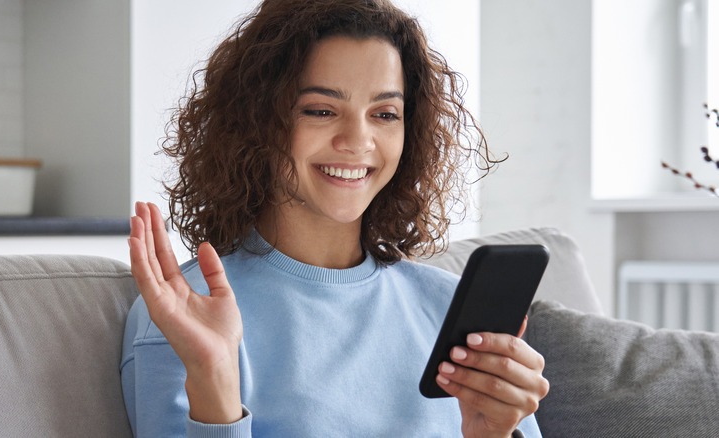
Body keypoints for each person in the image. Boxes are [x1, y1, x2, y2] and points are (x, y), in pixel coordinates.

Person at [121, 0, 549, 436]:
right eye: (321, 111)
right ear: (255, 121)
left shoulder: (449, 307)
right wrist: (214, 381)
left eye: (385, 114)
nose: (358, 141)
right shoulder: (184, 314)